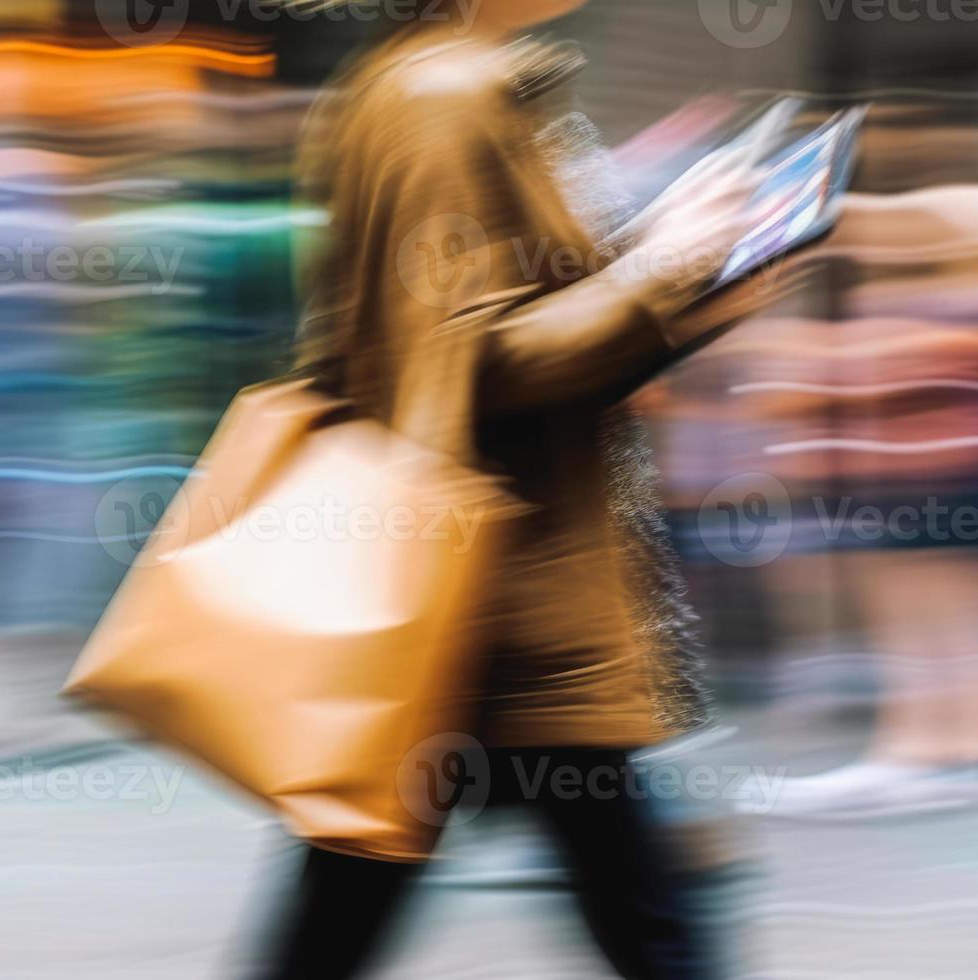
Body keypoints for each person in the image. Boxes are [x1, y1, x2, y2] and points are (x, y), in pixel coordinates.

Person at [255, 1, 776, 977]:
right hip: (494, 602)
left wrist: (689, 282)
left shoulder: (474, 80)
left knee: (350, 907)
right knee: (646, 915)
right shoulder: (438, 95)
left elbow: (537, 311)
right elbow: (463, 359)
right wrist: (664, 277)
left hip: (486, 603)